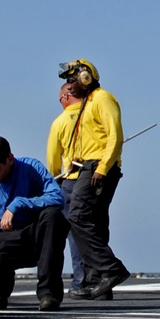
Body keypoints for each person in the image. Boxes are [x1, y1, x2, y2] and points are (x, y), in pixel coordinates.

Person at [0, 135, 68, 311]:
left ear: (9, 159)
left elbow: (57, 198)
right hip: (5, 238)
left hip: (36, 236)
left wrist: (19, 203)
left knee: (53, 216)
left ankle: (49, 293)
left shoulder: (31, 168)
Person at [57, 59, 131, 299]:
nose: (69, 85)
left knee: (76, 215)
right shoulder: (87, 104)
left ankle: (111, 269)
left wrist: (102, 167)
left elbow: (114, 136)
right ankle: (99, 279)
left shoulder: (102, 99)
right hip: (88, 165)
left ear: (85, 77)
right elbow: (93, 138)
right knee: (93, 222)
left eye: (72, 79)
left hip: (99, 167)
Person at [46, 82, 88, 295]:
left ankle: (80, 281)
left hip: (71, 181)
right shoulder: (93, 116)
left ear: (65, 97)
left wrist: (54, 179)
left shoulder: (61, 121)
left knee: (73, 233)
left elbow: (53, 160)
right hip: (96, 178)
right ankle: (99, 279)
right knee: (95, 230)